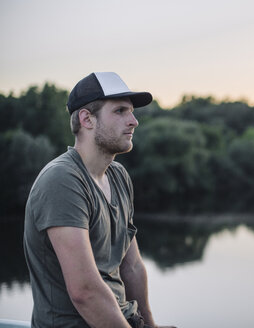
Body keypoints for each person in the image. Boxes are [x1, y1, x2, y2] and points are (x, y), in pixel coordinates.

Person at [24, 72, 175, 328]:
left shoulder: (118, 176)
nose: (134, 121)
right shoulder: (62, 180)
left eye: (131, 112)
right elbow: (85, 292)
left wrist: (150, 325)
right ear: (87, 119)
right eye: (120, 111)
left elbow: (133, 266)